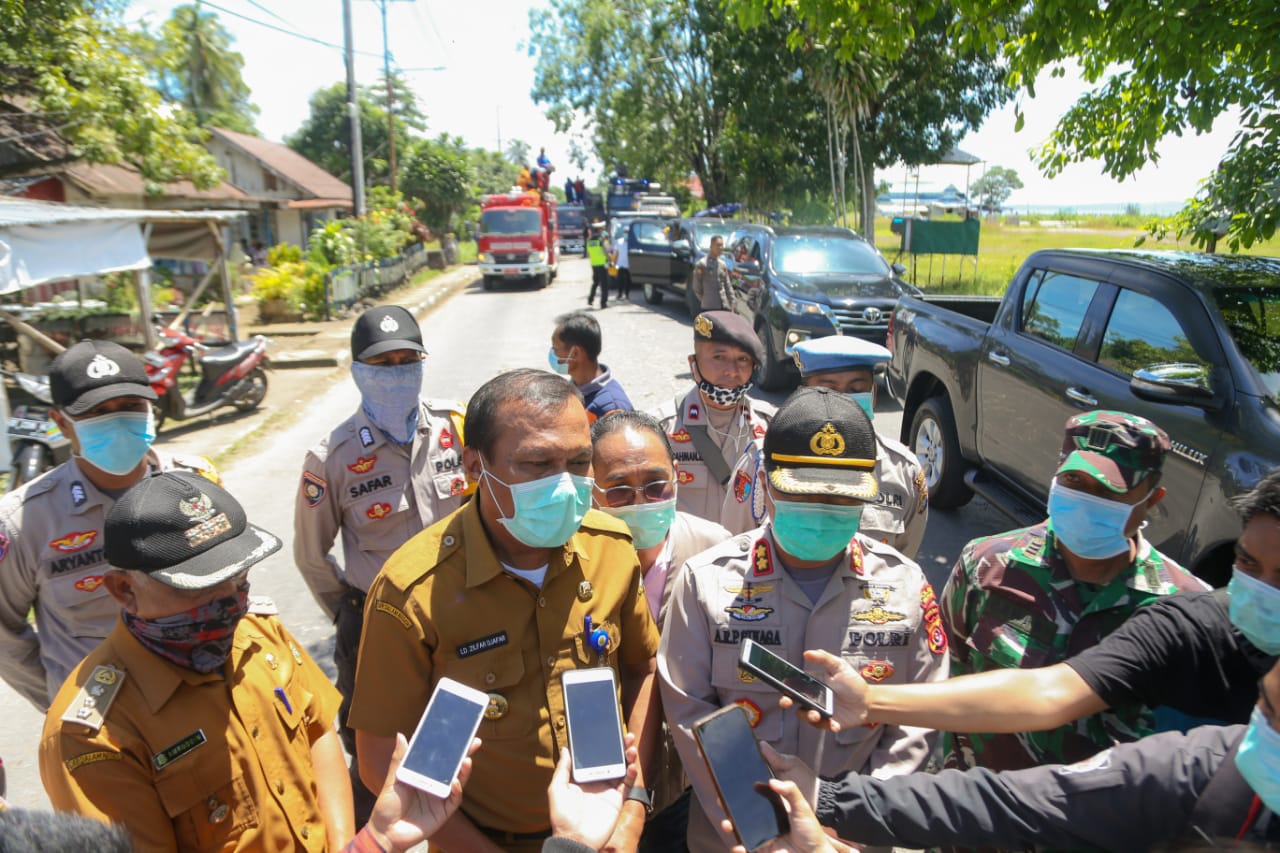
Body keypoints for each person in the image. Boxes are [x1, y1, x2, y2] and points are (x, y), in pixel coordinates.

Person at [348, 369, 662, 852]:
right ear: (475, 466)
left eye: (579, 462)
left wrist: (632, 812)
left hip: (608, 832)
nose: (564, 484)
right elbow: (379, 760)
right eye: (537, 464)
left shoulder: (613, 549)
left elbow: (642, 672)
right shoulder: (410, 592)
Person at [781, 466, 1280, 743]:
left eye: (1108, 492)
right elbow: (1049, 693)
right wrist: (870, 702)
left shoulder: (1174, 594)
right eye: (1247, 564)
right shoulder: (1192, 626)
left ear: (1150, 501)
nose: (1259, 590)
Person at [658, 387, 949, 852]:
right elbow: (691, 714)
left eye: (839, 499)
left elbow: (918, 721)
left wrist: (851, 823)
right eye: (803, 493)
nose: (820, 512)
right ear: (767, 482)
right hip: (738, 837)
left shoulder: (906, 586)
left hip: (856, 838)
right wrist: (762, 831)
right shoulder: (705, 583)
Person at [40, 471, 353, 852]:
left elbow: (319, 732)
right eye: (200, 585)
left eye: (237, 575)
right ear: (125, 590)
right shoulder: (94, 734)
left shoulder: (256, 632)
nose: (228, 600)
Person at [752, 656, 1280, 851]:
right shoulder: (1203, 768)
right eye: (1265, 706)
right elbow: (1010, 804)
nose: (1261, 733)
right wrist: (828, 801)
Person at [940, 410, 1210, 774]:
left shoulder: (1184, 608)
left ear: (1152, 498)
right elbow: (944, 670)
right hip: (979, 806)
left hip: (1100, 823)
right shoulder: (987, 565)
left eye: (1109, 491)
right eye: (1073, 481)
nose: (1086, 499)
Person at [293, 304, 470, 818]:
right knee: (377, 760)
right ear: (357, 373)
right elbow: (311, 555)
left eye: (406, 359)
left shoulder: (454, 428)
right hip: (374, 627)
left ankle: (457, 828)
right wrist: (353, 611)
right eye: (382, 363)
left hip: (457, 614)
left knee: (461, 734)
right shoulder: (331, 457)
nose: (396, 373)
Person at [0, 339, 220, 712]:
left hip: (207, 697)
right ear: (60, 423)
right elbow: (5, 636)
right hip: (106, 729)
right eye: (97, 412)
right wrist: (66, 701)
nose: (117, 421)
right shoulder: (23, 521)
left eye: (132, 407)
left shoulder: (197, 483)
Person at [591, 410, 732, 850]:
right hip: (598, 790)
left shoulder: (718, 551)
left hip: (689, 786)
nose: (641, 501)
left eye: (656, 485)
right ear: (591, 492)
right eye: (618, 492)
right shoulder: (573, 558)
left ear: (677, 478)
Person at [720, 336, 928, 558]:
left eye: (856, 388)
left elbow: (902, 558)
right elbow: (735, 546)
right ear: (802, 395)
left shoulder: (903, 470)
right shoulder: (764, 460)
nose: (841, 400)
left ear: (873, 395)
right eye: (827, 390)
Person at [654, 311, 775, 522]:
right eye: (719, 357)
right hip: (689, 553)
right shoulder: (661, 428)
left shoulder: (770, 425)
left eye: (743, 359)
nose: (731, 371)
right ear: (694, 363)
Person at [550, 311, 634, 422]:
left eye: (555, 349)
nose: (552, 354)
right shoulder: (574, 389)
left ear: (575, 353)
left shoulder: (612, 408)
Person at [691, 235, 731, 311]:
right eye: (718, 245)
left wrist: (732, 302)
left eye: (722, 245)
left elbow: (727, 284)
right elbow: (696, 286)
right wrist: (704, 299)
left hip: (723, 305)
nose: (720, 248)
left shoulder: (722, 265)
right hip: (709, 306)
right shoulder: (702, 264)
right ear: (711, 246)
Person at [586, 221, 610, 309]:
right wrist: (609, 259)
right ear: (599, 230)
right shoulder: (601, 240)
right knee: (604, 284)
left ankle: (590, 299)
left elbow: (588, 254)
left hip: (594, 264)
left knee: (595, 282)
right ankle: (603, 303)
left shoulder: (589, 241)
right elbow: (606, 251)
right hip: (602, 264)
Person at [612, 228, 632, 301]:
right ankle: (620, 294)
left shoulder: (631, 242)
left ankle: (627, 294)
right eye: (625, 232)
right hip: (620, 264)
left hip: (628, 265)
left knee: (628, 281)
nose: (626, 233)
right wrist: (614, 263)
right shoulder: (619, 241)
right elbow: (616, 253)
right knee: (620, 280)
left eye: (627, 232)